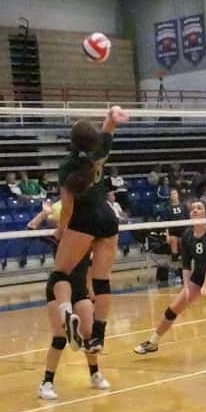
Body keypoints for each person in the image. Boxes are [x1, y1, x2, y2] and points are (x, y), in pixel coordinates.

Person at [52, 105, 129, 354]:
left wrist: (60, 231)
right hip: (107, 216)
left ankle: (67, 314)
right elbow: (108, 129)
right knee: (101, 280)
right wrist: (112, 114)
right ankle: (98, 337)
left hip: (83, 219)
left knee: (60, 274)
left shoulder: (68, 166)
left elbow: (67, 207)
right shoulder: (99, 150)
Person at [134, 201, 206, 361]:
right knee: (173, 309)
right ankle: (153, 342)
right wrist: (186, 286)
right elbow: (185, 264)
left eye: (199, 208)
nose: (195, 210)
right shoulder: (187, 236)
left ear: (205, 213)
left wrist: (205, 286)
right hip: (199, 275)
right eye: (193, 209)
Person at [39, 253, 111, 400]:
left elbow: (93, 266)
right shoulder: (66, 242)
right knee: (59, 338)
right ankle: (46, 382)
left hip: (80, 290)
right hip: (58, 290)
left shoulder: (90, 244)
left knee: (89, 335)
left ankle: (94, 373)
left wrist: (90, 288)